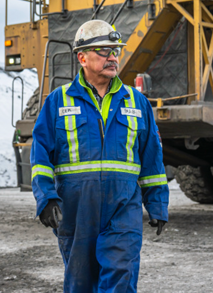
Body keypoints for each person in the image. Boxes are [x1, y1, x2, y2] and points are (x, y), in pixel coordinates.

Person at [30, 19, 169, 293]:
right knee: (81, 283)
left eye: (115, 51)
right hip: (76, 210)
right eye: (103, 51)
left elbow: (151, 158)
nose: (112, 57)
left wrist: (157, 204)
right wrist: (45, 198)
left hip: (123, 207)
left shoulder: (135, 101)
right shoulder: (59, 101)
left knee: (121, 275)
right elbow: (41, 154)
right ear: (82, 57)